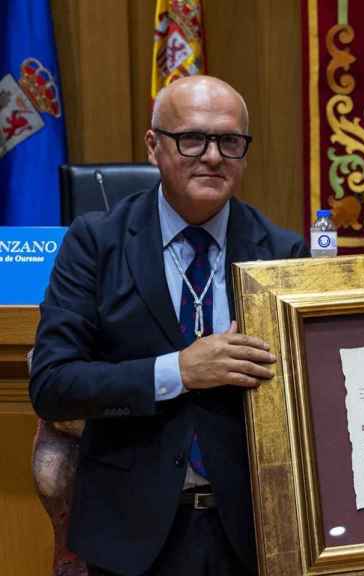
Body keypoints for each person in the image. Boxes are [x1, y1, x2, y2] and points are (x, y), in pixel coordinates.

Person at [29, 75, 307, 576]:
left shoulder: (281, 253)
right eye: (193, 139)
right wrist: (176, 370)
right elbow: (53, 386)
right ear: (154, 146)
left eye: (230, 141)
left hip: (252, 535)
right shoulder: (96, 243)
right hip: (127, 536)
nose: (214, 157)